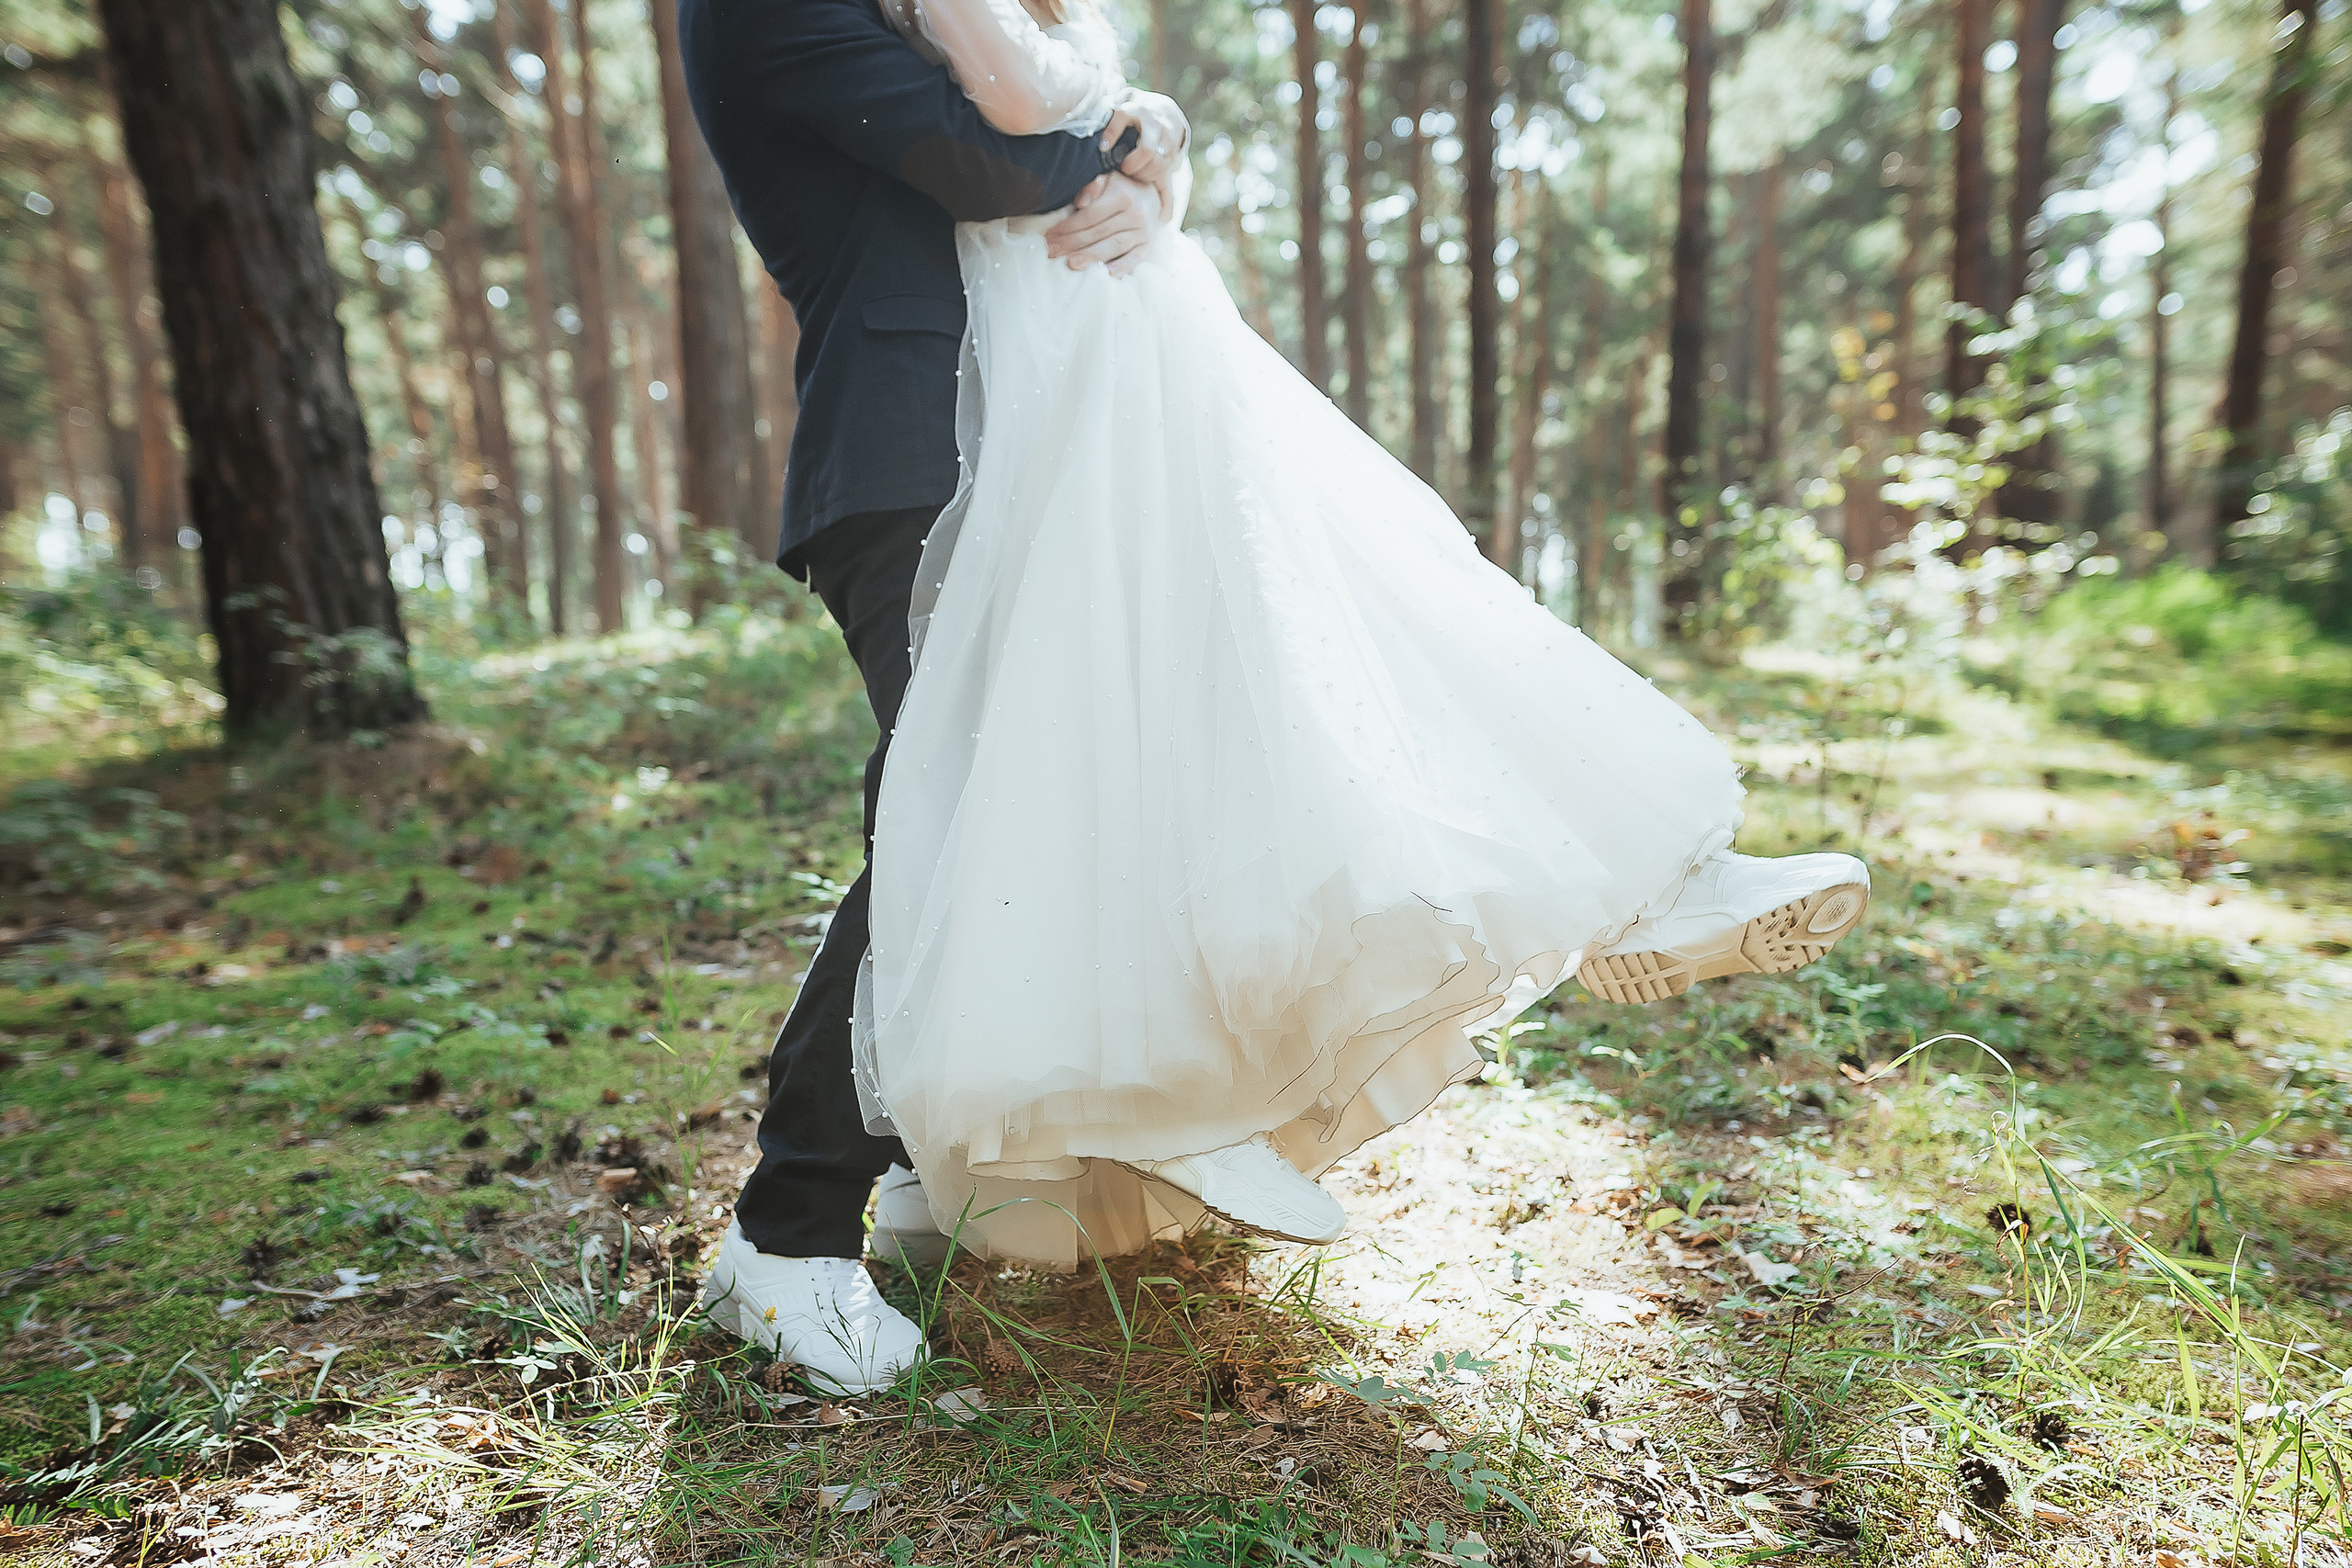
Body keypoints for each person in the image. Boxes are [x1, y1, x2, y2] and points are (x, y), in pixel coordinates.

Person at [688, 0, 1869, 1395]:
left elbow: (1032, 120)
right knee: (953, 821)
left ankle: (968, 1166)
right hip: (922, 459)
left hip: (1053, 433)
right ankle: (786, 1236)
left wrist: (1152, 137)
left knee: (1216, 726)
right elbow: (979, 155)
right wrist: (1139, 142)